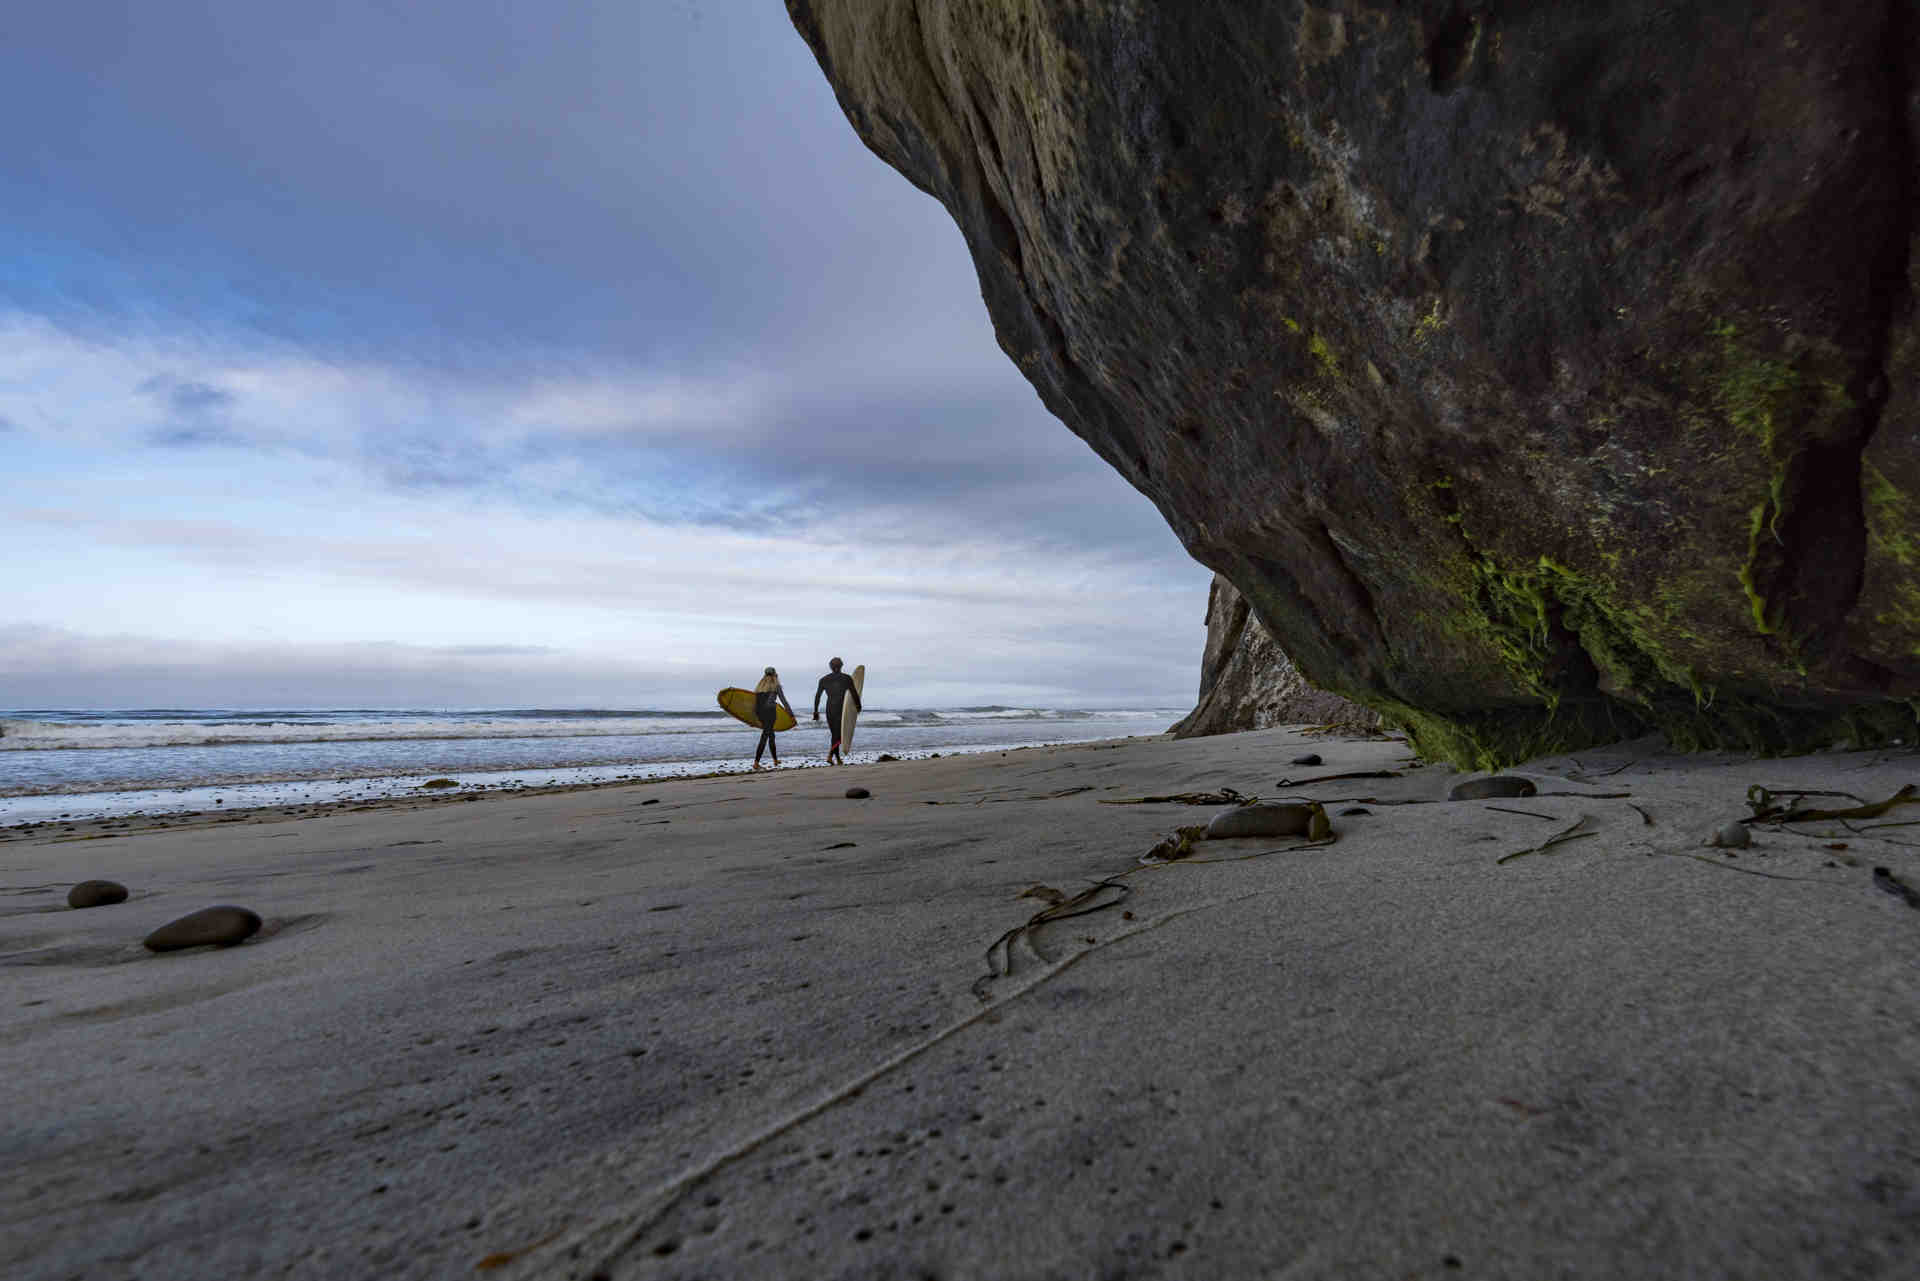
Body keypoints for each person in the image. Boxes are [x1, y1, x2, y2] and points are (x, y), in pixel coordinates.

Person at [812, 657, 863, 765]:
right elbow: (854, 693)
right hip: (841, 708)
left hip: (830, 708)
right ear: (841, 666)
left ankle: (837, 758)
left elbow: (818, 696)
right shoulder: (847, 678)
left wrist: (816, 711)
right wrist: (858, 706)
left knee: (835, 734)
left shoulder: (823, 679)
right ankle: (831, 755)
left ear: (830, 666)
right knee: (838, 734)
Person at [752, 667, 795, 769]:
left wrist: (753, 719)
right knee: (765, 737)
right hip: (770, 714)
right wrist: (791, 715)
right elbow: (784, 701)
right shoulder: (776, 686)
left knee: (771, 736)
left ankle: (775, 760)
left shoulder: (759, 687)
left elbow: (755, 705)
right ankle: (756, 762)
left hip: (760, 714)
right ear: (775, 675)